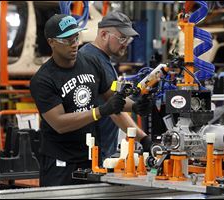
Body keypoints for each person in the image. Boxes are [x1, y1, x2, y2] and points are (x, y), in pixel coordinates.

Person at [30, 14, 151, 187]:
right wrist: (100, 111)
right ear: (51, 42)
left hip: (90, 159)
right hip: (61, 163)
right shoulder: (43, 80)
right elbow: (59, 123)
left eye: (76, 37)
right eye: (67, 40)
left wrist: (136, 105)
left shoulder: (90, 62)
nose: (74, 44)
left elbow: (111, 97)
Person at [79, 11, 152, 161]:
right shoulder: (90, 59)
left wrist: (136, 107)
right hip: (92, 149)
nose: (125, 43)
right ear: (104, 34)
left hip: (101, 147)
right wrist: (143, 138)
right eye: (122, 38)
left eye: (128, 39)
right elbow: (112, 108)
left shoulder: (102, 59)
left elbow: (114, 105)